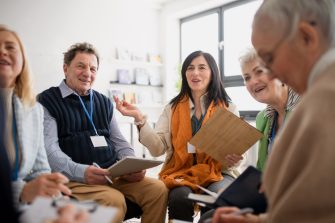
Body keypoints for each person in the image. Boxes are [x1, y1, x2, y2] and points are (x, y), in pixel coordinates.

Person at [212, 0, 335, 222]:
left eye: (269, 60)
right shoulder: (273, 115)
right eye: (247, 77)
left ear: (307, 37)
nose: (270, 75)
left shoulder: (322, 102)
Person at [37, 42, 168, 223]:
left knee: (158, 189)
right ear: (65, 68)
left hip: (111, 173)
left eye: (93, 68)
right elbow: (50, 151)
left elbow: (119, 141)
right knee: (113, 200)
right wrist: (82, 172)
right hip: (74, 179)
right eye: (81, 66)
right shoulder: (47, 100)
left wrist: (132, 165)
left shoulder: (103, 102)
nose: (88, 73)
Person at [114, 50, 243, 222]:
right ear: (185, 73)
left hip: (219, 172)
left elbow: (239, 153)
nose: (195, 73)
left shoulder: (228, 107)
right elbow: (157, 148)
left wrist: (235, 157)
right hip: (180, 172)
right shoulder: (172, 108)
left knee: (217, 196)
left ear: (213, 73)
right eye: (190, 68)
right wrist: (139, 119)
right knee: (179, 198)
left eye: (202, 68)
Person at [0, 24, 87, 223]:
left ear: (22, 60)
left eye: (10, 47)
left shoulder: (32, 109)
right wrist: (22, 192)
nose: (2, 51)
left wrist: (54, 199)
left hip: (24, 207)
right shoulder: (49, 100)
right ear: (66, 69)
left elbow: (40, 169)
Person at [239, 48, 300, 171]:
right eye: (247, 78)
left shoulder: (307, 107)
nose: (253, 81)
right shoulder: (262, 118)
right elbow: (262, 171)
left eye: (259, 71)